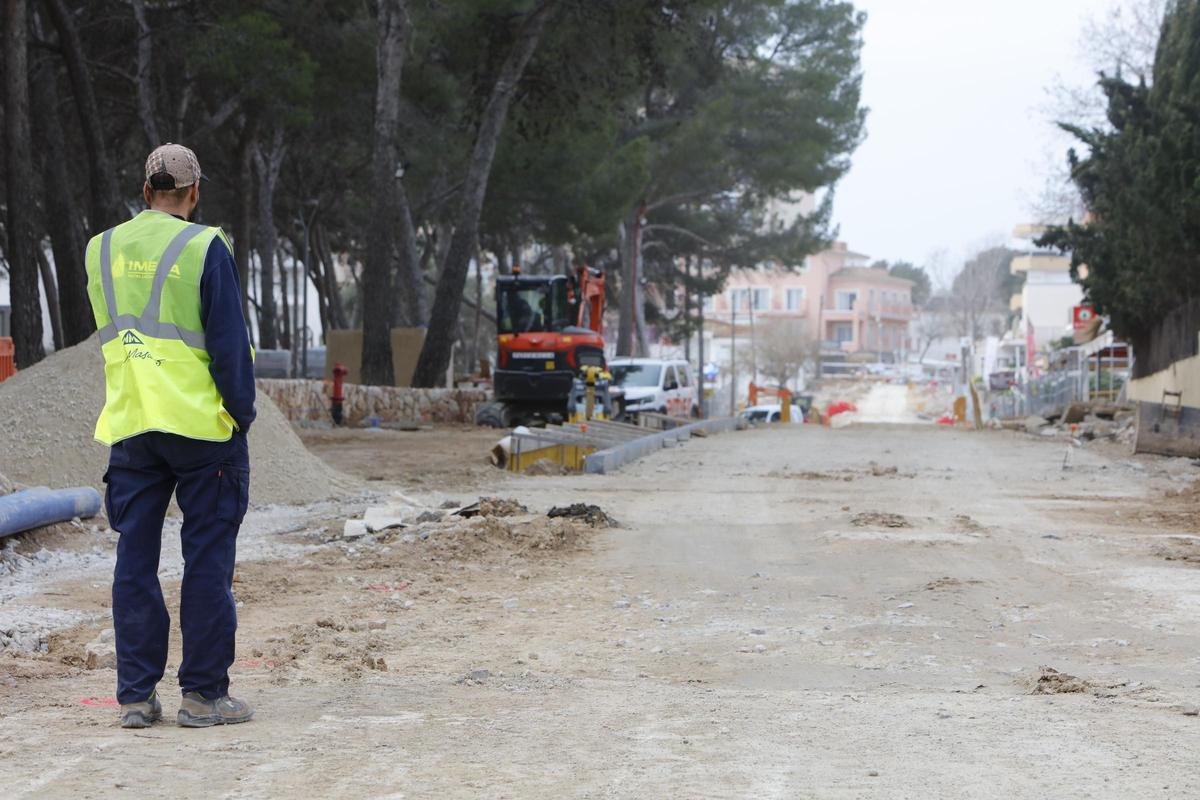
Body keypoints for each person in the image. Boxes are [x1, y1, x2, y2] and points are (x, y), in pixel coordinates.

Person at [84, 144, 257, 729]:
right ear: (194, 193)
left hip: (132, 424)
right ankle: (203, 695)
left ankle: (136, 696)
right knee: (205, 561)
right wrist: (241, 415)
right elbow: (229, 345)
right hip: (201, 427)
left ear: (144, 190)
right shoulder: (204, 246)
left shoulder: (100, 249)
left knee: (134, 560)